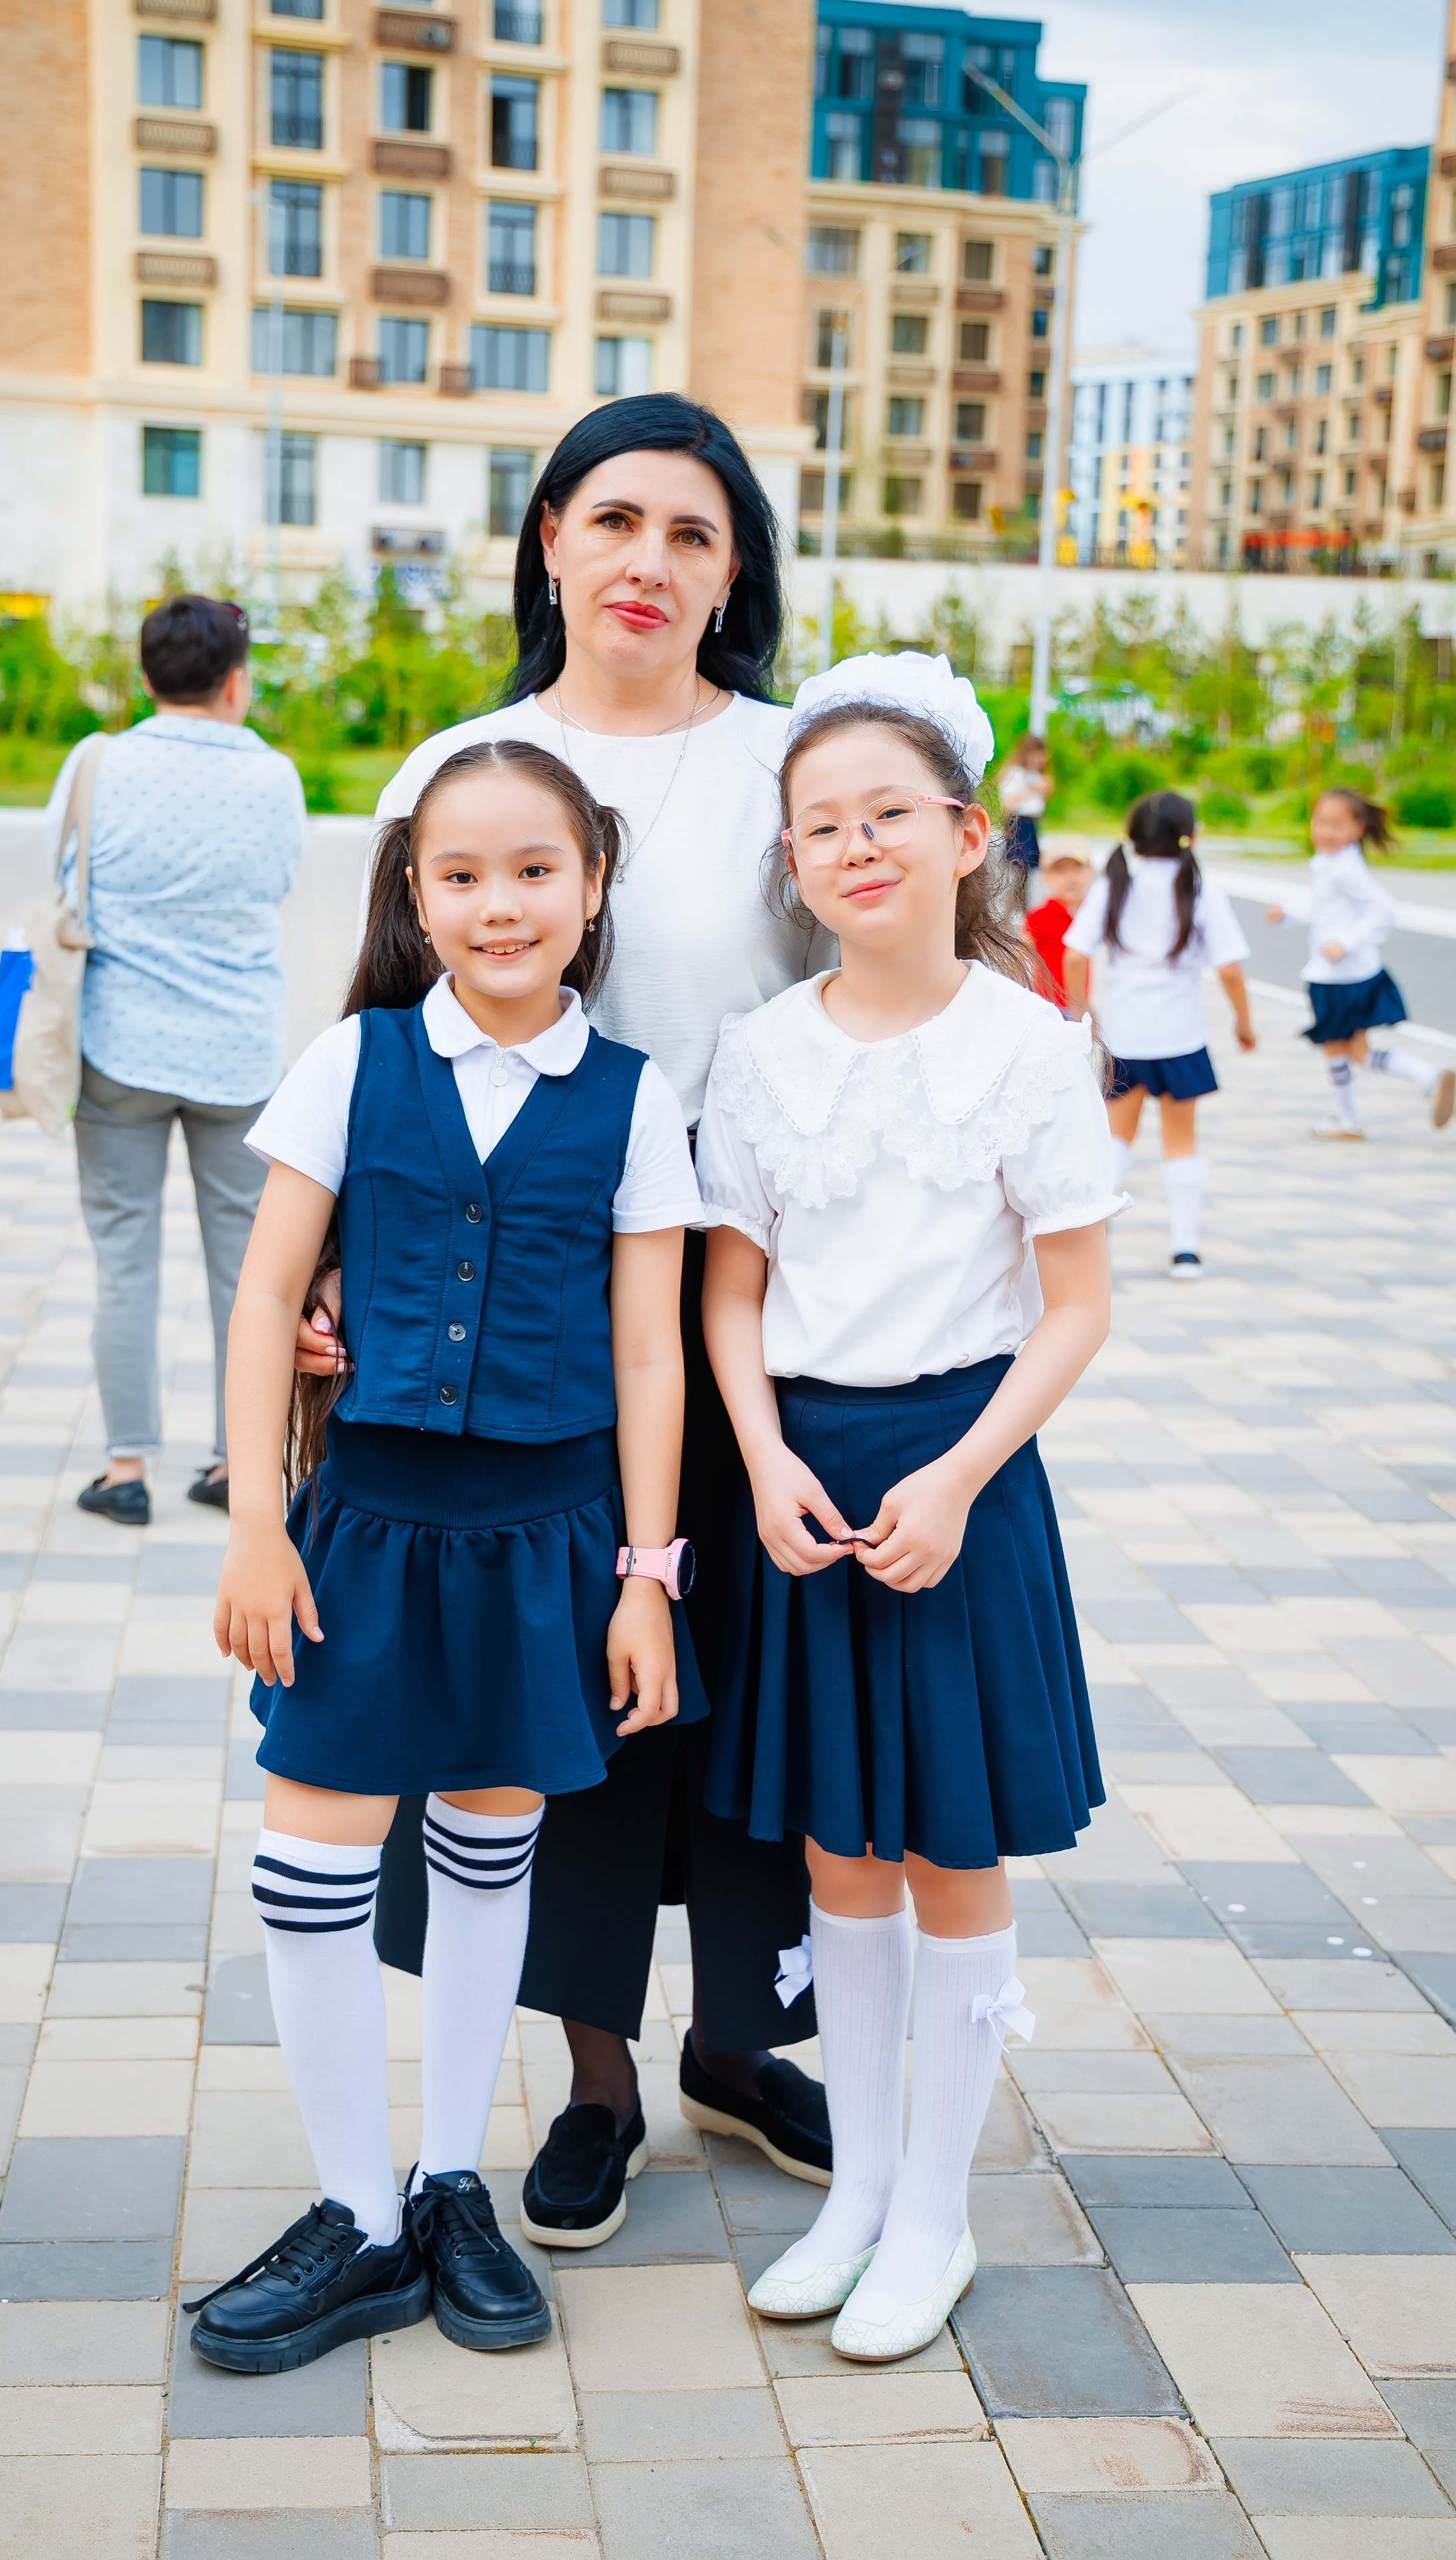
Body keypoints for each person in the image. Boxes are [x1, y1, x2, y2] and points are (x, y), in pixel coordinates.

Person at [299, 395, 836, 2251]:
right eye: (616, 521)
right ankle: (600, 2080)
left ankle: (744, 2046)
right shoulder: (468, 762)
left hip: (765, 1305)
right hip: (529, 1314)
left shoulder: (797, 762)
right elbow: (373, 1039)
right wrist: (330, 1290)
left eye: (694, 533)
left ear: (736, 569)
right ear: (548, 542)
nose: (649, 563)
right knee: (582, 1697)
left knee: (760, 1688)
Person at [186, 740, 704, 2375]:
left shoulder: (633, 1096)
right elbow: (268, 1292)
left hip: (548, 1542)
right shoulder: (353, 1063)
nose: (499, 903)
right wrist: (259, 1523)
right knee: (313, 1865)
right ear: (412, 892)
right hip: (366, 1530)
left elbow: (647, 1357)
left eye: (534, 869)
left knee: (493, 1854)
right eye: (460, 873)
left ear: (594, 881)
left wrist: (643, 1575)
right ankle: (357, 2211)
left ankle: (446, 2180)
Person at [696, 653, 1121, 2363]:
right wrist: (765, 1462)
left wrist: (956, 1474)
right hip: (802, 1473)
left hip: (962, 1477)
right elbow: (731, 1294)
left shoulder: (1027, 1044)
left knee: (950, 1846)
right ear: (789, 860)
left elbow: (1075, 1301)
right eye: (820, 824)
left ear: (961, 834)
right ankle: (854, 2192)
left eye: (887, 815)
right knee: (833, 1854)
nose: (854, 845)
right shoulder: (756, 1049)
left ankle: (932, 2215)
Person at [55, 593, 306, 1526]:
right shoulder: (272, 775)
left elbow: (61, 872)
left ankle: (125, 1471)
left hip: (116, 1046)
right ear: (236, 681)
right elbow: (282, 880)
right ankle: (235, 1464)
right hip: (235, 1056)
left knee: (123, 1259)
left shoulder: (99, 764)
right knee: (247, 1269)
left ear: (148, 678)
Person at [1063, 791, 1255, 1283]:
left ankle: (1091, 1238)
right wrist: (1243, 1022)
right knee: (1181, 1142)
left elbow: (1074, 955)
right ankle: (1185, 1250)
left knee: (1114, 1141)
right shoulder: (1199, 888)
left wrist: (1081, 1012)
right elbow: (1230, 968)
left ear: (1132, 836)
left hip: (1125, 1035)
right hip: (1181, 1034)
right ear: (1190, 835)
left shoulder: (1114, 885)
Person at [1263, 786, 1455, 1138]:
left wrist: (1344, 944)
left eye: (1337, 824)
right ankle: (1426, 1077)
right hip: (1354, 974)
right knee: (1357, 1051)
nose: (1326, 830)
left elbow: (1383, 911)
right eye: (1320, 821)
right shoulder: (1334, 863)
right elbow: (1325, 907)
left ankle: (1348, 1118)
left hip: (1339, 978)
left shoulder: (1344, 869)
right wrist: (1287, 912)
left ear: (1357, 829)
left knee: (1339, 1050)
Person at [1023, 851, 1094, 1005]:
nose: (1071, 877)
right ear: (1046, 877)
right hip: (1049, 1003)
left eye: (1077, 869)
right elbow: (1020, 957)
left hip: (1081, 1001)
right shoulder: (1039, 916)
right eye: (1061, 870)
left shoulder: (1091, 913)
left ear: (1091, 873)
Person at [997, 731, 1051, 878]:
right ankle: (1017, 901)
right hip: (1019, 823)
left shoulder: (1035, 774)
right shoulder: (1015, 773)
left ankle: (1022, 901)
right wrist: (1032, 789)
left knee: (1027, 872)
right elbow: (1009, 803)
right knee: (1019, 871)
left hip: (1032, 822)